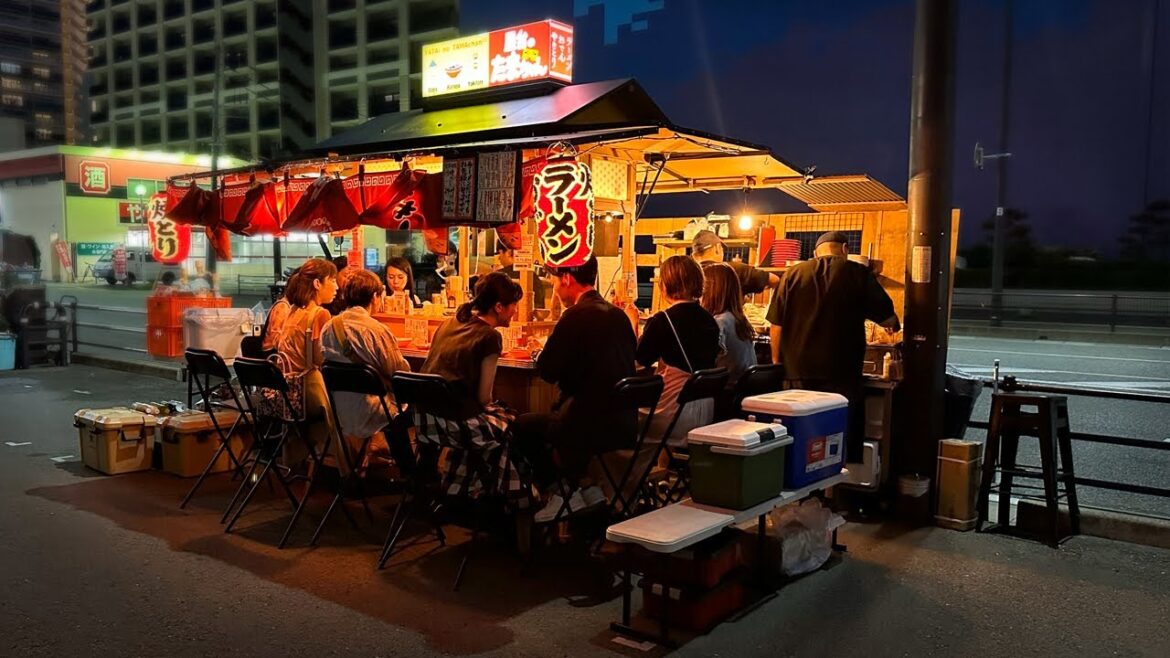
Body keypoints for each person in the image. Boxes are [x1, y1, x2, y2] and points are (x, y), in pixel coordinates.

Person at [512, 256, 637, 522]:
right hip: (623, 424)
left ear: (567, 279)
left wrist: (538, 353)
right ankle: (585, 488)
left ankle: (559, 492)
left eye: (554, 281)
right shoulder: (619, 316)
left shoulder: (575, 317)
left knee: (521, 426)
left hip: (585, 424)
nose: (555, 288)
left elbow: (548, 370)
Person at [766, 231, 899, 458]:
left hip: (797, 375)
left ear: (815, 252)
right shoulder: (857, 273)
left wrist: (778, 362)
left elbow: (775, 325)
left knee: (800, 440)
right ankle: (838, 478)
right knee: (837, 441)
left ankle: (801, 479)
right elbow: (888, 319)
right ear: (845, 249)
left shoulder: (792, 274)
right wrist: (893, 324)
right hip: (841, 376)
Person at [419, 272, 530, 506]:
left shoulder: (450, 322)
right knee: (510, 425)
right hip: (454, 423)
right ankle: (508, 496)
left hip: (424, 419)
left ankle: (461, 489)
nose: (515, 311)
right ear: (498, 307)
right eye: (513, 305)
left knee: (494, 422)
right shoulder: (489, 337)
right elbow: (483, 398)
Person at [321, 269, 411, 466]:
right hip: (373, 410)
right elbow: (398, 372)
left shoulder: (329, 327)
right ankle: (409, 470)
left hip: (339, 410)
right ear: (375, 297)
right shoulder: (376, 330)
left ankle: (375, 454)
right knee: (415, 407)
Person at [636, 255, 722, 443]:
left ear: (665, 284)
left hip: (673, 412)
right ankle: (662, 461)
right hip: (705, 410)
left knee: (621, 419)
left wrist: (631, 323)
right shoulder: (710, 320)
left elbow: (639, 361)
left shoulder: (663, 320)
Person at [275, 258, 339, 461]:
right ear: (318, 283)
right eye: (333, 280)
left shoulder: (292, 311)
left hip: (285, 392)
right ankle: (345, 463)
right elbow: (321, 359)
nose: (337, 287)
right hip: (308, 395)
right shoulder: (320, 314)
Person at [700, 262, 758, 388]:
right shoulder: (740, 320)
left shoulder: (718, 323)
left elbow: (702, 366)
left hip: (724, 392)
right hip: (744, 391)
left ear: (710, 291)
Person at [691, 229, 779, 295]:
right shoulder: (734, 269)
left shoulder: (688, 275)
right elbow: (774, 279)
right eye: (722, 248)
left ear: (694, 255)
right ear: (717, 248)